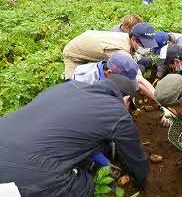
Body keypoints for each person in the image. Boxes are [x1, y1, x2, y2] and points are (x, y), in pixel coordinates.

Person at [0, 74, 149, 196]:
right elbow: (134, 157)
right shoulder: (116, 111)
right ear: (127, 99)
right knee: (84, 185)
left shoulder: (69, 86)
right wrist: (141, 180)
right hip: (25, 173)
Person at [63, 22, 158, 101]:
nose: (145, 48)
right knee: (73, 91)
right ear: (133, 39)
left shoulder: (126, 38)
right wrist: (161, 101)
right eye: (144, 45)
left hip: (90, 48)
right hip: (73, 55)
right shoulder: (120, 50)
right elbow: (139, 81)